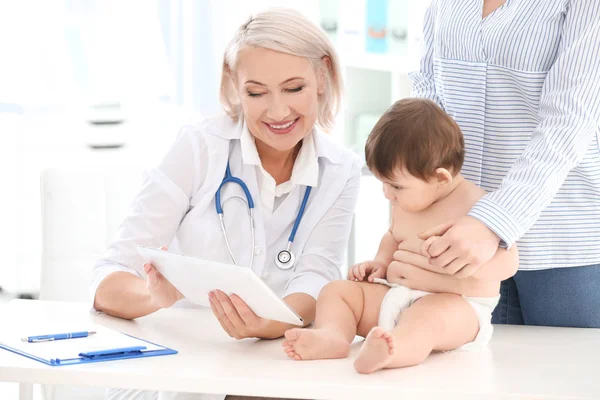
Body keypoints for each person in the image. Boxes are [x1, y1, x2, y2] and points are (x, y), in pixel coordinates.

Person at [91, 8, 362, 400]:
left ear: (322, 77)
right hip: (175, 373)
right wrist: (154, 297)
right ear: (235, 86)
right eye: (256, 92)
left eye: (293, 88)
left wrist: (264, 324)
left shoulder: (341, 170)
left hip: (272, 365)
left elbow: (316, 279)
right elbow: (107, 279)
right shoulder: (198, 148)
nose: (278, 111)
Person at [282, 98, 518, 373]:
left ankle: (395, 350)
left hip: (458, 308)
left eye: (395, 185)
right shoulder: (405, 203)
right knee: (337, 291)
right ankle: (333, 335)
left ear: (441, 177)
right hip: (395, 296)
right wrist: (380, 263)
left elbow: (509, 262)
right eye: (382, 182)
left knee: (428, 318)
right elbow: (393, 237)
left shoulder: (478, 207)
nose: (386, 193)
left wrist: (471, 266)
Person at [404, 1, 600, 327]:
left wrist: (492, 222)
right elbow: (427, 90)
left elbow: (569, 122)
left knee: (571, 372)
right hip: (458, 237)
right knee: (468, 373)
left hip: (562, 246)